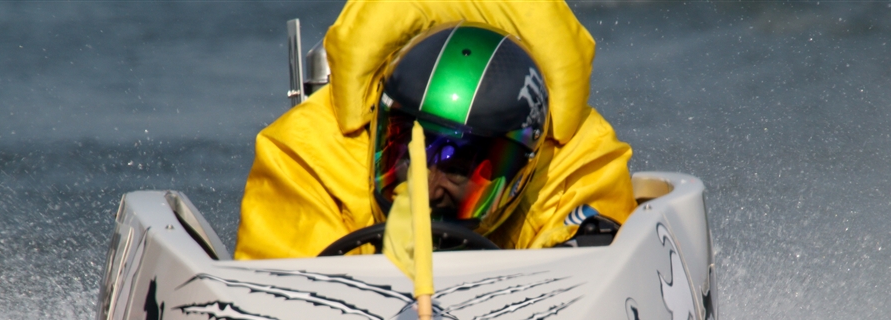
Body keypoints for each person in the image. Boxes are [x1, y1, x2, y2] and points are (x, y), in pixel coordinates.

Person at [234, 0, 636, 260]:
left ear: (517, 171)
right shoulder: (308, 156)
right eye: (411, 152)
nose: (426, 188)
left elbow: (596, 266)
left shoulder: (574, 166)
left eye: (456, 167)